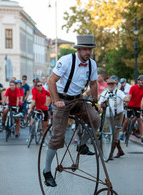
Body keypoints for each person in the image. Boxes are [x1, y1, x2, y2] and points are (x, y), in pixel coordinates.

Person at [43, 35, 101, 187]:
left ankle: (81, 145)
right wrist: (56, 101)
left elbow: (93, 83)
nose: (89, 52)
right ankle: (47, 171)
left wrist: (95, 102)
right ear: (79, 49)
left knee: (96, 119)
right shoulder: (66, 60)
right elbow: (51, 81)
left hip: (78, 99)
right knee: (58, 137)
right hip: (63, 100)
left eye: (90, 49)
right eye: (86, 49)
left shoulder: (92, 64)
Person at [98, 78, 127, 160]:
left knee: (114, 134)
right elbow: (100, 102)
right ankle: (120, 150)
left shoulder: (119, 92)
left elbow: (124, 97)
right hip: (108, 116)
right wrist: (99, 107)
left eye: (112, 84)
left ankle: (110, 153)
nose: (111, 85)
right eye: (109, 84)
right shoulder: (105, 93)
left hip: (118, 115)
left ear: (115, 85)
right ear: (107, 85)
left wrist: (126, 99)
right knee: (110, 134)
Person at [120, 75, 143, 143]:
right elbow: (129, 96)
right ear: (138, 81)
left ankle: (142, 136)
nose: (142, 82)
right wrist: (126, 104)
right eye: (140, 80)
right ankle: (122, 133)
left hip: (137, 106)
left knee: (139, 120)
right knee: (127, 119)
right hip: (130, 105)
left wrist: (141, 108)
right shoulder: (133, 87)